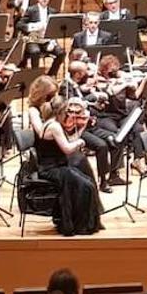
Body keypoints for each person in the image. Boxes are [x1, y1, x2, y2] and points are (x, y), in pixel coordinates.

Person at [37, 96, 103, 236]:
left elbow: (68, 141)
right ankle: (81, 225)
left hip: (57, 166)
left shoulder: (52, 122)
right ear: (61, 112)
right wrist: (80, 143)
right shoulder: (54, 126)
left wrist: (81, 128)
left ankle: (82, 222)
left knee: (88, 181)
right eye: (67, 112)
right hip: (51, 169)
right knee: (86, 186)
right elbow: (67, 148)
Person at [19, 0, 65, 75]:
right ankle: (35, 75)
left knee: (61, 53)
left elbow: (55, 30)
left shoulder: (53, 11)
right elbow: (20, 25)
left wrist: (53, 42)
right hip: (33, 40)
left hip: (47, 40)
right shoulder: (31, 10)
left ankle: (51, 75)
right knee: (35, 52)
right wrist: (33, 26)